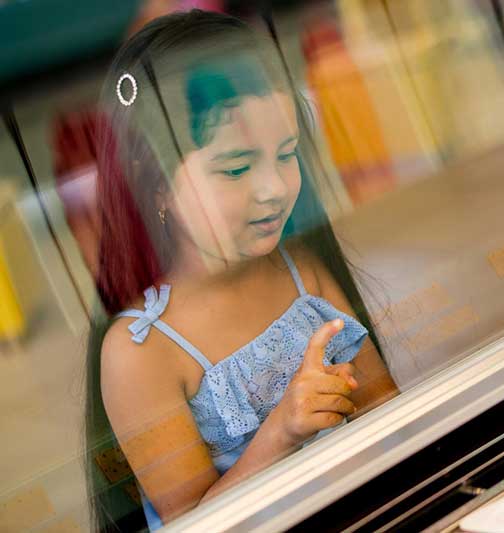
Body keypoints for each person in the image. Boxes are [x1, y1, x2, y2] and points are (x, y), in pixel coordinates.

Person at [84, 10, 398, 531]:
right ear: (156, 183)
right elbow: (194, 525)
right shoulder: (141, 351)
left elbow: (387, 412)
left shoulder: (299, 271)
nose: (273, 188)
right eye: (235, 167)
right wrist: (280, 432)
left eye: (287, 153)